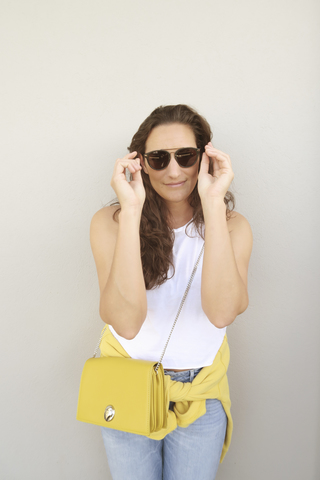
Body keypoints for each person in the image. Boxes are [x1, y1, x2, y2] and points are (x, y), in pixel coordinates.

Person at [89, 104, 253, 480]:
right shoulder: (110, 223)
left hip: (200, 391)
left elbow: (223, 312)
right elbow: (126, 323)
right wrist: (132, 211)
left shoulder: (232, 227)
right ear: (141, 164)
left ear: (205, 159)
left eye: (186, 156)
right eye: (159, 158)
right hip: (128, 381)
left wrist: (213, 205)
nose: (174, 170)